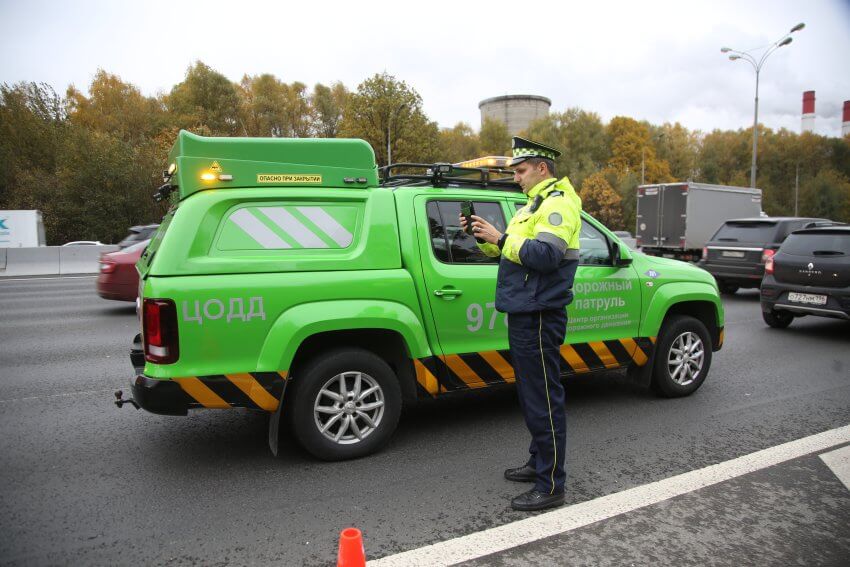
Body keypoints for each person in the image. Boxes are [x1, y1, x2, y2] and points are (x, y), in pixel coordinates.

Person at [460, 136, 582, 511]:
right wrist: (483, 237)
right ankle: (538, 462)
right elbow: (509, 252)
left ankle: (550, 485)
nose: (516, 177)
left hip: (541, 313)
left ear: (542, 169)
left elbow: (545, 256)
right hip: (526, 310)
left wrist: (502, 236)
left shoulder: (559, 204)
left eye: (521, 170)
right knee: (532, 396)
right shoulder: (533, 205)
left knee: (543, 398)